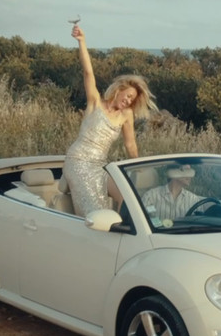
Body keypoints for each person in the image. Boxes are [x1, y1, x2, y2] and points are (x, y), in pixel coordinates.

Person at [63, 24, 156, 216]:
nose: (128, 100)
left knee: (128, 196)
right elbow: (88, 73)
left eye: (132, 99)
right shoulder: (95, 103)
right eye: (127, 95)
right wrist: (82, 41)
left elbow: (130, 145)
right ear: (119, 89)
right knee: (94, 213)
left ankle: (122, 235)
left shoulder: (126, 115)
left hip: (99, 165)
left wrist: (137, 166)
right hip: (78, 161)